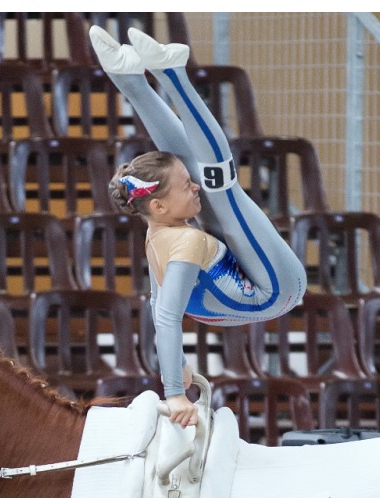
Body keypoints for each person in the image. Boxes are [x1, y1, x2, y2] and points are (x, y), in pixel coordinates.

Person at [90, 26, 307, 429]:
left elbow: (158, 308)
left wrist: (180, 367)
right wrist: (174, 391)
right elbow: (168, 319)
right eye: (181, 187)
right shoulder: (185, 242)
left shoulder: (158, 234)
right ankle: (172, 74)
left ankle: (130, 78)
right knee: (219, 185)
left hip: (238, 288)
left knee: (208, 181)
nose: (191, 185)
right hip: (275, 290)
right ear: (157, 204)